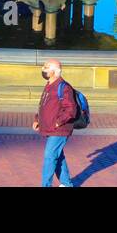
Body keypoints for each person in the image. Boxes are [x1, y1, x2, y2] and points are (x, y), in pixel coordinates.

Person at [34, 58, 79, 187]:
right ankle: (67, 184)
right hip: (51, 128)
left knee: (49, 157)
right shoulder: (49, 85)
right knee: (58, 156)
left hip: (60, 129)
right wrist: (37, 119)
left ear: (54, 71)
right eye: (44, 66)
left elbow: (71, 109)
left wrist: (58, 122)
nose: (43, 69)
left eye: (46, 67)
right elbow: (43, 105)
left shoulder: (64, 87)